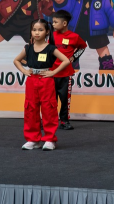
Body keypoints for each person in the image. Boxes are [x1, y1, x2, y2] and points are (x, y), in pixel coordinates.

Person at [12, 19, 70, 151]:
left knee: (48, 109)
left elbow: (66, 60)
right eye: (34, 30)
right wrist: (24, 71)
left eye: (40, 30)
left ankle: (50, 139)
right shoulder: (28, 48)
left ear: (47, 32)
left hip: (46, 81)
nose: (37, 33)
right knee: (30, 109)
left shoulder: (50, 48)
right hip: (32, 81)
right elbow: (16, 60)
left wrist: (53, 72)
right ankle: (33, 139)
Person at [50, 10, 87, 131]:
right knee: (50, 100)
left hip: (66, 75)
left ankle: (64, 121)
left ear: (64, 23)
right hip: (51, 74)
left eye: (55, 22)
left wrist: (74, 57)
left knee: (65, 100)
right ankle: (49, 121)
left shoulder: (74, 37)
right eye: (53, 22)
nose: (53, 24)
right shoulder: (51, 36)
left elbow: (83, 47)